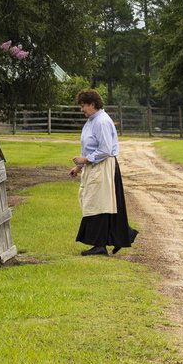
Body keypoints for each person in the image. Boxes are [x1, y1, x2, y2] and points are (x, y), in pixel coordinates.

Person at [69, 89, 136, 255]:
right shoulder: (92, 121)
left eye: (83, 105)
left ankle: (100, 245)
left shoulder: (101, 122)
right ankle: (120, 236)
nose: (81, 109)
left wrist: (84, 161)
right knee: (97, 202)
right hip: (95, 166)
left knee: (99, 203)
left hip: (104, 166)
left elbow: (105, 149)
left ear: (92, 104)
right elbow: (89, 147)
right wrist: (79, 167)